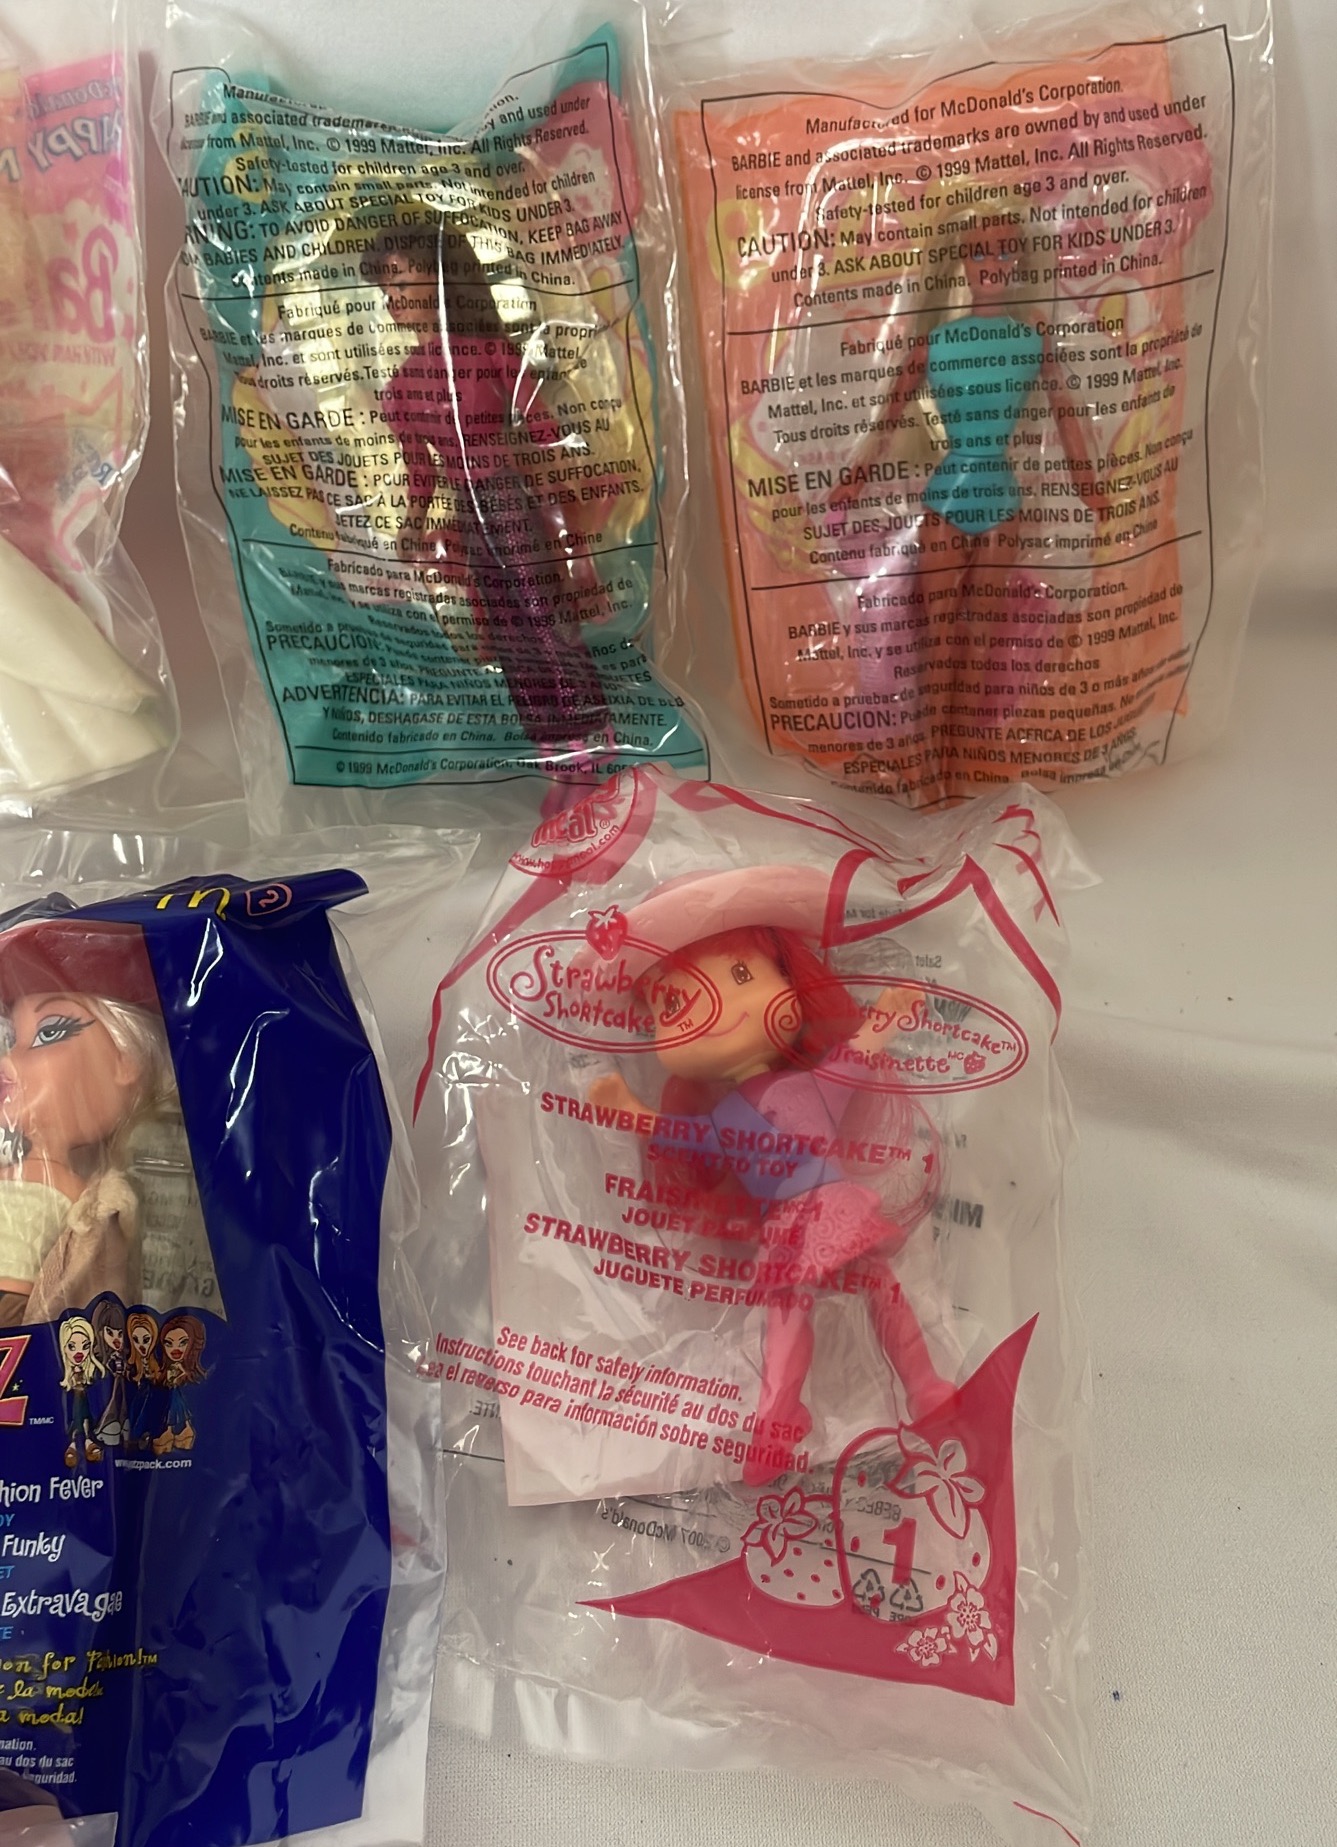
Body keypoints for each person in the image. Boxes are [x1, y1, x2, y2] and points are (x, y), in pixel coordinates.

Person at [588, 870, 950, 1483]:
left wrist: (886, 1017)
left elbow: (854, 1056)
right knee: (788, 1314)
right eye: (673, 1005)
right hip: (784, 1226)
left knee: (875, 1286)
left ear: (792, 981)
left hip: (831, 1205)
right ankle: (780, 1416)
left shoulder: (809, 1084)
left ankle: (922, 1383)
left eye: (742, 976)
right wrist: (635, 1114)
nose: (722, 1013)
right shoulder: (725, 1117)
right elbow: (691, 1140)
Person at [359, 217, 612, 772]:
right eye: (385, 288)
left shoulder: (490, 353)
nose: (392, 299)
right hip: (470, 515)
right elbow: (419, 471)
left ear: (439, 277)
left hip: (509, 499)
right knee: (504, 622)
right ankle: (547, 737)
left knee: (540, 608)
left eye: (400, 281)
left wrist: (559, 475)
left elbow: (541, 425)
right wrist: (411, 525)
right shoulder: (401, 386)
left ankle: (589, 722)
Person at [0, 919, 172, 1326]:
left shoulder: (80, 1196)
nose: (8, 1061)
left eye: (49, 1033)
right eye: (12, 1041)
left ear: (126, 1059)